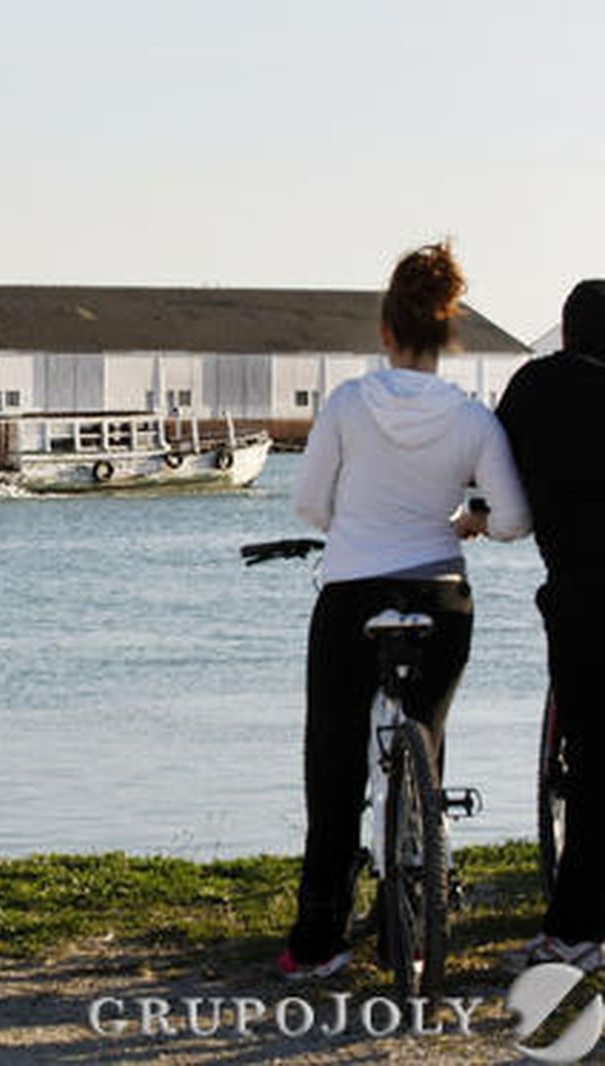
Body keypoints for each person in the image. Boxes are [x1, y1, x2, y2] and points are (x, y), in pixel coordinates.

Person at [280, 242, 530, 980]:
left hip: (353, 592)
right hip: (439, 595)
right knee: (427, 734)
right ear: (447, 337)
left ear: (386, 333)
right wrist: (470, 518)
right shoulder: (471, 419)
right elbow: (513, 519)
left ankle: (318, 939)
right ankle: (413, 923)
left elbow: (308, 503)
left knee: (335, 760)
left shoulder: (349, 404)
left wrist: (355, 525)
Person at [496, 280, 605, 970]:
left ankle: (576, 932)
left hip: (584, 596)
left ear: (564, 332)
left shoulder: (535, 388)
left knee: (591, 761)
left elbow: (496, 484)